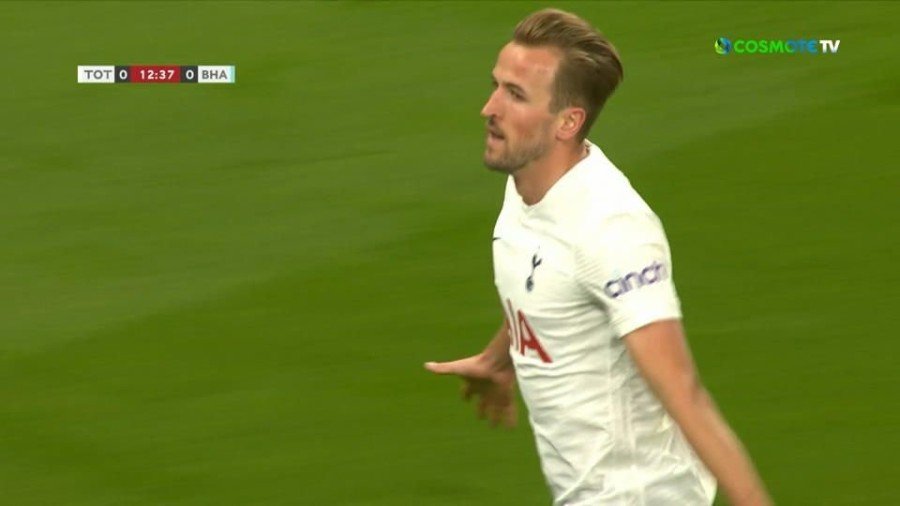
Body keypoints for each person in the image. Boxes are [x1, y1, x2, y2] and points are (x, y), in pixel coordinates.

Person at [424, 8, 772, 506]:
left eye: (515, 95)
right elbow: (550, 282)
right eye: (496, 85)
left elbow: (684, 393)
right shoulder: (530, 178)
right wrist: (499, 359)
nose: (489, 108)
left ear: (568, 122)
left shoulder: (612, 230)